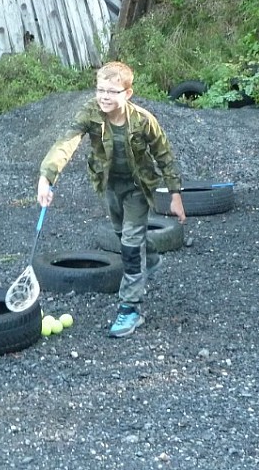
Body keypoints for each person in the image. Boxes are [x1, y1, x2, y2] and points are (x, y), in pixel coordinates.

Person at [37, 61, 186, 338]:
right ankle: (149, 258)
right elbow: (66, 143)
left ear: (127, 93)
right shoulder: (90, 113)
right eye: (100, 90)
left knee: (130, 246)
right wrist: (47, 177)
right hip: (108, 185)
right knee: (123, 236)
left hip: (138, 188)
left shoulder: (143, 120)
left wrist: (175, 194)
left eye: (112, 91)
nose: (105, 96)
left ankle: (130, 309)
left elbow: (164, 157)